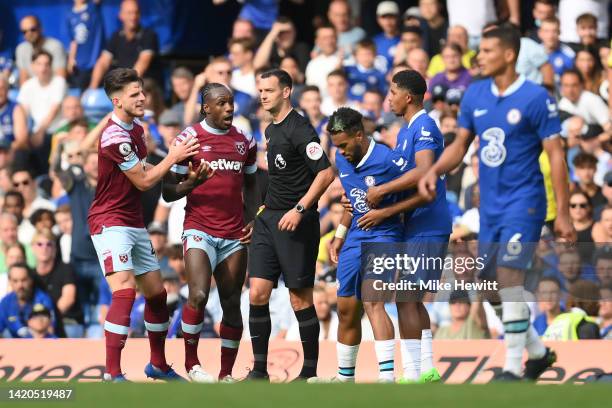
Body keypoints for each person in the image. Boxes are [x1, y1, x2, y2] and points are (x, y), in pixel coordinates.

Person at [419, 26, 575, 381]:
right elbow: (460, 145)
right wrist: (434, 171)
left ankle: (511, 367)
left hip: (525, 202)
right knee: (489, 282)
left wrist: (563, 213)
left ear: (508, 55)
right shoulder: (474, 95)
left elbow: (556, 156)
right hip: (489, 205)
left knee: (508, 274)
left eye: (487, 50)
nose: (480, 56)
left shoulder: (536, 97)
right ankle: (537, 352)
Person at [87, 68, 199, 381]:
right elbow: (145, 180)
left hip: (133, 222)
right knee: (124, 292)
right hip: (110, 222)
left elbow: (143, 167)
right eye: (134, 94)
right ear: (116, 100)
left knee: (157, 294)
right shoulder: (114, 136)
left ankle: (158, 364)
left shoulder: (137, 127)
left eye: (142, 92)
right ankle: (112, 373)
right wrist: (174, 155)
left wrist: (179, 171)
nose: (142, 98)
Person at [162, 83, 259, 382]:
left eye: (230, 103)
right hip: (199, 229)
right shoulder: (188, 140)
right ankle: (192, 365)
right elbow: (168, 192)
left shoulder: (244, 140)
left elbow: (253, 184)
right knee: (199, 295)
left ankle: (226, 373)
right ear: (206, 107)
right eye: (221, 103)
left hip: (233, 235)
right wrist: (192, 182)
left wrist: (253, 218)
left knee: (231, 303)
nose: (229, 108)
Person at [359, 69, 451, 383]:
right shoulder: (406, 131)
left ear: (407, 96)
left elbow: (424, 171)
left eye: (392, 93)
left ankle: (413, 373)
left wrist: (383, 195)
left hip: (428, 223)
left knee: (405, 297)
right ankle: (425, 368)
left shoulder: (424, 126)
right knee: (410, 297)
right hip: (417, 224)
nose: (389, 99)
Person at [246, 69, 334, 380]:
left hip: (296, 221)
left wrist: (300, 208)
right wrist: (261, 209)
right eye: (260, 90)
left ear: (286, 92)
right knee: (257, 292)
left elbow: (325, 173)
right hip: (269, 218)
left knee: (299, 297)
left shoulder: (300, 129)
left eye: (269, 90)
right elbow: (279, 176)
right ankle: (258, 371)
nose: (263, 95)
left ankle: (309, 372)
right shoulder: (270, 129)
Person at [316, 107, 414, 383]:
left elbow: (419, 195)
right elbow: (354, 199)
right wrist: (340, 233)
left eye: (345, 145)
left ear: (359, 135)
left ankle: (386, 377)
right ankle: (345, 377)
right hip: (355, 237)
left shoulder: (388, 161)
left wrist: (384, 211)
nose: (341, 152)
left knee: (373, 302)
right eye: (337, 146)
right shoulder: (341, 157)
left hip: (386, 235)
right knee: (346, 307)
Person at [88, 0, 160, 89]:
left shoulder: (149, 35)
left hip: (144, 88)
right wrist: (92, 89)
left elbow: (143, 63)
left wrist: (126, 87)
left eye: (136, 12)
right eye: (129, 13)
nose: (133, 17)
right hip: (123, 88)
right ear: (121, 15)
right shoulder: (116, 36)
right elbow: (103, 62)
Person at [16, 50, 67, 175]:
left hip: (58, 130)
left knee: (44, 142)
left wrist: (39, 131)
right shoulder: (27, 85)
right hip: (37, 132)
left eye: (46, 64)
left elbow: (54, 110)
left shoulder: (59, 82)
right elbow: (21, 111)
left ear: (51, 66)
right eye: (39, 64)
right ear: (32, 66)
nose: (43, 68)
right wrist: (22, 136)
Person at [31, 229, 83, 338]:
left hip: (67, 321)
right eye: (39, 244)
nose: (44, 248)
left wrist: (48, 320)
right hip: (37, 323)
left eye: (49, 244)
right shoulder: (30, 275)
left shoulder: (65, 269)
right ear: (32, 248)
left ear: (54, 248)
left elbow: (68, 299)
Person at [0, 263, 56, 338]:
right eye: (15, 281)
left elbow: (50, 331)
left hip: (41, 346)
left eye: (24, 280)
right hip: (16, 348)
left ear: (31, 280)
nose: (20, 285)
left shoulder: (43, 300)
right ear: (10, 282)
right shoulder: (6, 302)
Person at [15, 15, 66, 85]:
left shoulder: (55, 46)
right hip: (32, 92)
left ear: (41, 28)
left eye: (32, 29)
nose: (29, 33)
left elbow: (60, 78)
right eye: (24, 31)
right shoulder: (21, 49)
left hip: (53, 90)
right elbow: (23, 80)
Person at [67, 0, 104, 89]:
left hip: (96, 63)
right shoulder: (69, 15)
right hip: (80, 66)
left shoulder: (92, 8)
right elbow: (73, 40)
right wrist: (71, 59)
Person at [305, 25, 341, 99]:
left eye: (332, 37)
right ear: (317, 41)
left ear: (337, 39)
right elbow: (311, 90)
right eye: (325, 38)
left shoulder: (348, 60)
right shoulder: (313, 64)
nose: (329, 41)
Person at [0, 76, 28, 151]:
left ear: (7, 90)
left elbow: (21, 140)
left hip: (10, 152)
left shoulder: (15, 108)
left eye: (2, 88)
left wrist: (4, 151)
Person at [373, 1, 401, 73]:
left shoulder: (406, 40)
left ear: (397, 18)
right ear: (378, 19)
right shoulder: (374, 41)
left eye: (391, 17)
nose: (388, 21)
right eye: (384, 17)